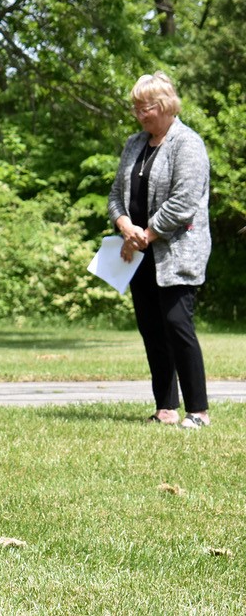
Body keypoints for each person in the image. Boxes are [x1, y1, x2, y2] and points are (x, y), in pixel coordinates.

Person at [107, 72, 212, 429]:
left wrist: (146, 234)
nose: (139, 115)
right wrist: (124, 226)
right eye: (135, 108)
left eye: (145, 108)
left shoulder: (188, 144)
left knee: (176, 324)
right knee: (151, 328)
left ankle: (198, 411)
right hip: (137, 253)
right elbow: (115, 196)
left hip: (177, 252)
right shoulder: (134, 144)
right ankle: (165, 407)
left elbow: (184, 202)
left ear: (165, 106)